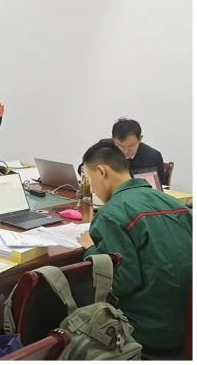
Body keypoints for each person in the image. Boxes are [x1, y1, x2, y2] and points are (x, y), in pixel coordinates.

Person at [77, 141, 191, 354]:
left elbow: (120, 284)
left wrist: (91, 249)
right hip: (188, 326)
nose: (92, 189)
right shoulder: (175, 204)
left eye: (89, 180)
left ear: (101, 172)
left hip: (149, 331)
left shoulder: (111, 215)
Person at [104, 118, 167, 183]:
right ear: (114, 140)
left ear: (140, 139)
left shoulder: (153, 158)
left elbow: (158, 187)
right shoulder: (103, 150)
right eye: (121, 146)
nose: (126, 151)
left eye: (131, 146)